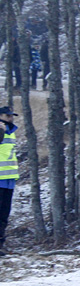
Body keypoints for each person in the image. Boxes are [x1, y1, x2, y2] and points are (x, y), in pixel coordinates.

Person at [0, 105, 17, 256]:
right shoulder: (2, 131)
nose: (10, 118)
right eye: (7, 116)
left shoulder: (10, 132)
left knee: (4, 214)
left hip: (8, 179)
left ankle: (0, 244)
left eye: (11, 116)